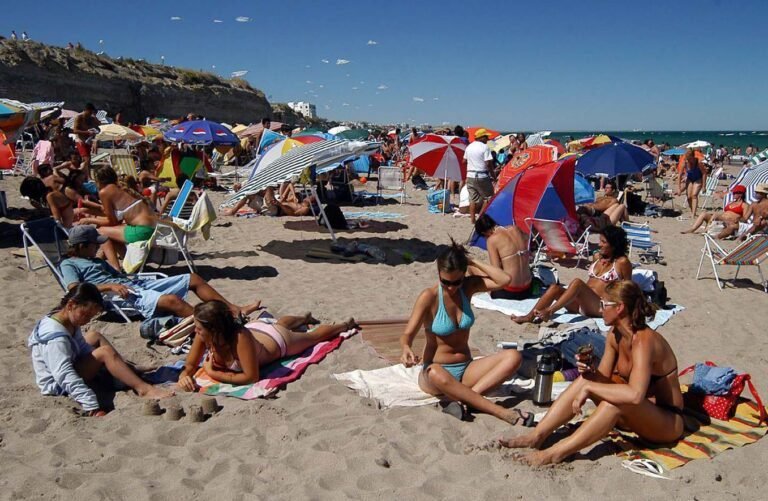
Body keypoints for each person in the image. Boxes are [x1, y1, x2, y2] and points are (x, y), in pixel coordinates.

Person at [499, 280, 683, 465]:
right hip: (636, 414)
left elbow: (635, 395)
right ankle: (538, 435)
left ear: (619, 308)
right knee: (585, 379)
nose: (600, 309)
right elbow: (601, 377)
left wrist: (589, 388)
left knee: (613, 402)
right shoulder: (615, 334)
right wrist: (588, 370)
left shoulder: (644, 341)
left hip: (666, 421)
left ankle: (555, 453)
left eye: (604, 304)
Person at [400, 241, 524, 423]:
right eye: (445, 282)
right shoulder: (429, 297)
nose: (451, 287)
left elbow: (504, 280)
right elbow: (407, 334)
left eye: (456, 281)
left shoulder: (468, 288)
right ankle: (498, 411)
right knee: (435, 372)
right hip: (436, 372)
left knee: (514, 357)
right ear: (438, 275)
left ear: (464, 274)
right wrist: (406, 348)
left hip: (466, 368)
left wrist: (473, 261)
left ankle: (469, 399)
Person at [28, 283, 174, 415]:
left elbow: (82, 346)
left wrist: (104, 362)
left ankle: (126, 369)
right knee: (105, 353)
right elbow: (63, 374)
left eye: (90, 317)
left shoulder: (66, 319)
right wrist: (91, 404)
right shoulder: (55, 338)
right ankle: (144, 389)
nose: (87, 320)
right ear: (71, 304)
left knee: (94, 336)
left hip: (71, 361)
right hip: (57, 385)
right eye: (85, 314)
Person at [60, 225, 260, 319]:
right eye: (95, 244)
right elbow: (74, 289)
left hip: (133, 283)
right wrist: (108, 286)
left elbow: (114, 267)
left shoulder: (91, 258)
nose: (98, 247)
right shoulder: (69, 265)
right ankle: (215, 327)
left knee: (193, 278)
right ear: (82, 246)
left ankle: (234, 310)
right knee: (172, 301)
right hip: (115, 296)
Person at [177, 301, 356, 390]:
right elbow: (190, 365)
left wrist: (213, 372)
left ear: (214, 329)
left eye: (199, 327)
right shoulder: (205, 335)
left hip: (277, 341)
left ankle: (343, 325)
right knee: (279, 323)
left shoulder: (239, 338)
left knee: (313, 337)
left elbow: (251, 377)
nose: (196, 331)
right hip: (256, 330)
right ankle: (303, 318)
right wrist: (184, 376)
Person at [512, 226, 632, 324]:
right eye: (600, 240)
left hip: (599, 307)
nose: (599, 244)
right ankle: (529, 317)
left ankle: (550, 311)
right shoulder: (597, 257)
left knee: (577, 283)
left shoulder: (622, 262)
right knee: (554, 288)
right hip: (580, 303)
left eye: (603, 242)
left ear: (614, 245)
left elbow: (628, 289)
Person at [76, 166, 157, 269]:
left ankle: (116, 269)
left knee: (101, 231)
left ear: (98, 180)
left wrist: (88, 220)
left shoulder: (104, 192)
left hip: (143, 231)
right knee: (111, 233)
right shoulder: (122, 187)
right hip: (153, 227)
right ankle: (130, 263)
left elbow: (111, 221)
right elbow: (115, 220)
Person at [474, 214, 534, 299]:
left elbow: (496, 271)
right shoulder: (515, 228)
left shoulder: (492, 240)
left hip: (510, 291)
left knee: (474, 268)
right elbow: (527, 238)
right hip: (528, 289)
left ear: (485, 233)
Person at [682, 184, 751, 239]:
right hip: (721, 220)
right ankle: (692, 229)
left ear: (741, 194)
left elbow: (745, 218)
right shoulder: (731, 202)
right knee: (704, 214)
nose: (733, 194)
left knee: (716, 215)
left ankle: (707, 231)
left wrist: (737, 220)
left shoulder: (744, 205)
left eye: (735, 193)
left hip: (730, 222)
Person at [463, 129, 495, 223]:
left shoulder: (469, 147)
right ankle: (480, 218)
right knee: (488, 197)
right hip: (481, 175)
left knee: (472, 199)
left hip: (470, 175)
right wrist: (493, 175)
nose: (488, 139)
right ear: (481, 137)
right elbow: (488, 163)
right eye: (486, 137)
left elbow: (464, 161)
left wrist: (472, 163)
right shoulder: (485, 147)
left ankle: (472, 219)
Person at [72, 103, 102, 177]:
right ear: (86, 110)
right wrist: (87, 132)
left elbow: (100, 125)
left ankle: (82, 176)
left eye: (92, 112)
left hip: (88, 141)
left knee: (87, 159)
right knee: (87, 159)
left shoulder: (91, 118)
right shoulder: (79, 117)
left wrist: (95, 117)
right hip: (80, 140)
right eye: (90, 112)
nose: (91, 114)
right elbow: (75, 130)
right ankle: (89, 177)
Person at [678, 149, 707, 217]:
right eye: (687, 158)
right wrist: (679, 188)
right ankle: (692, 211)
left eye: (689, 158)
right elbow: (679, 175)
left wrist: (704, 186)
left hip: (698, 179)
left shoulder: (698, 162)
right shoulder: (685, 162)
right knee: (688, 197)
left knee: (694, 195)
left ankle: (693, 214)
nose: (688, 160)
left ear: (692, 157)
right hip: (690, 179)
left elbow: (704, 173)